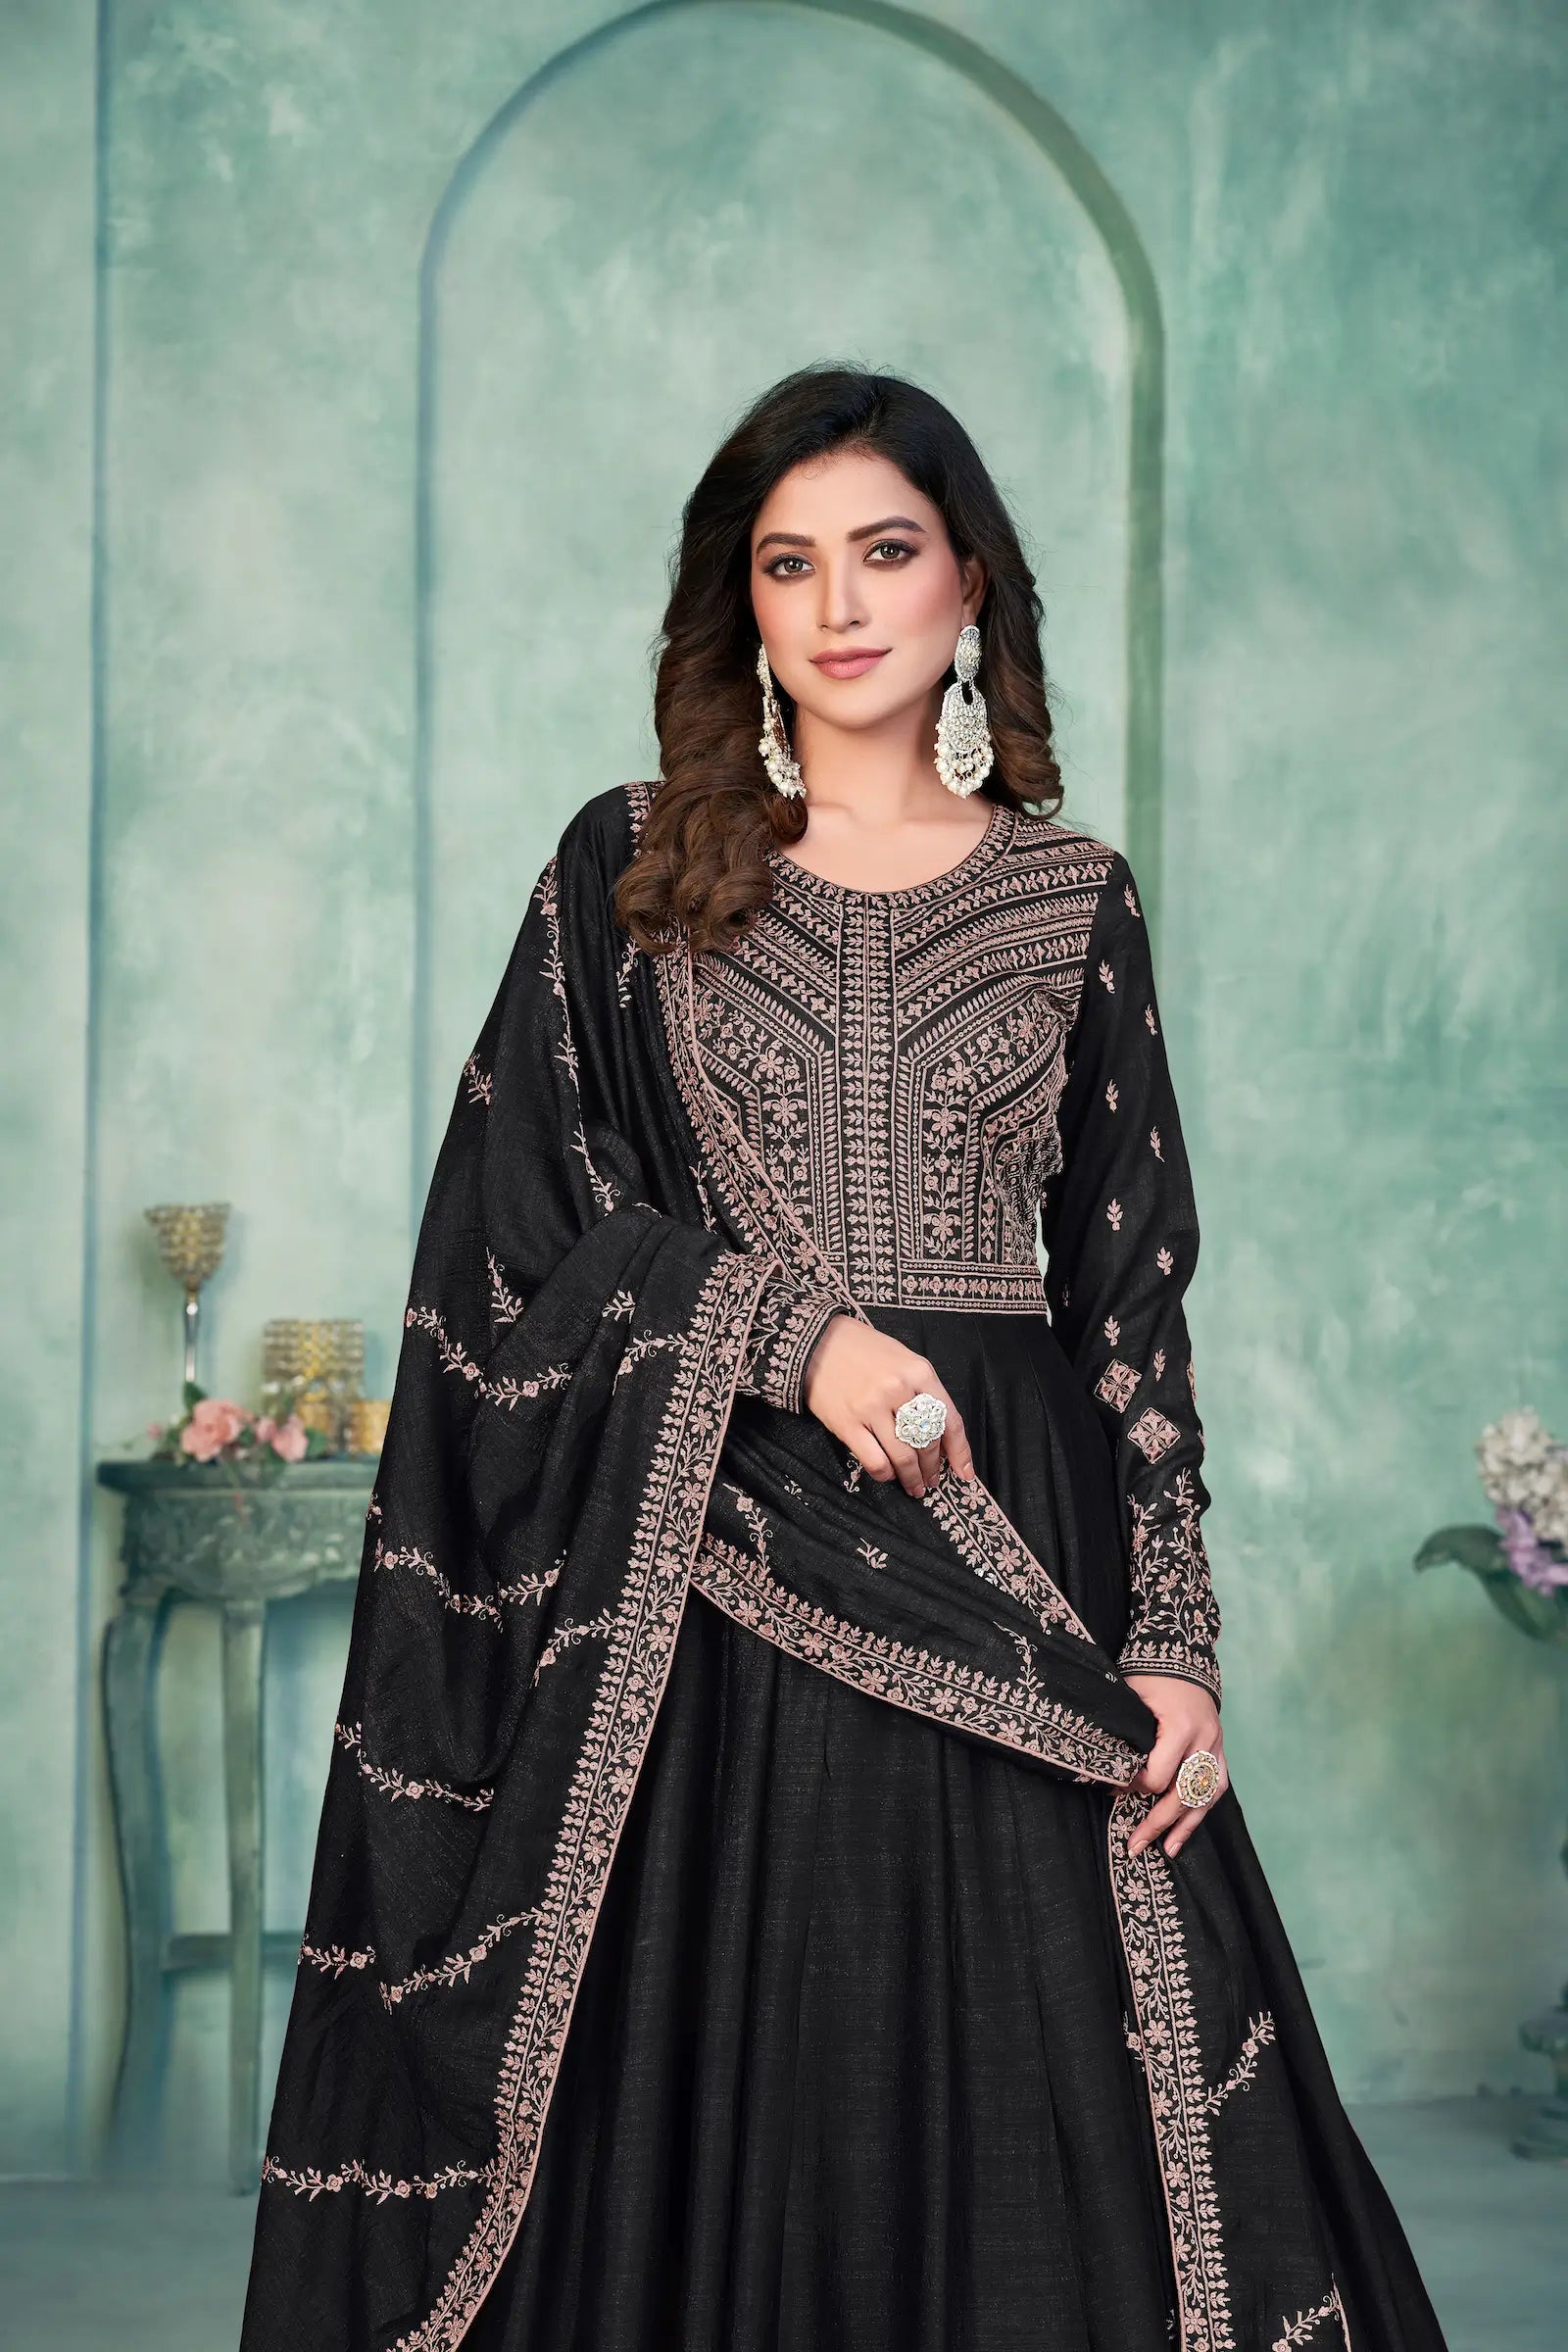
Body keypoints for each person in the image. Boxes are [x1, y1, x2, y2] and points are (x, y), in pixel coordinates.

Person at [239, 367, 1448, 2352]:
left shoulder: (1071, 897)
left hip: (1011, 1532)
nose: (839, 604)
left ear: (969, 583)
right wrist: (788, 1337)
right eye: (787, 564)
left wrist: (1171, 1635)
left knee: (1062, 2092)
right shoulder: (634, 872)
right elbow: (519, 1237)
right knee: (731, 2076)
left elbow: (1132, 1300)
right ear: (744, 604)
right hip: (712, 1562)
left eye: (884, 552)